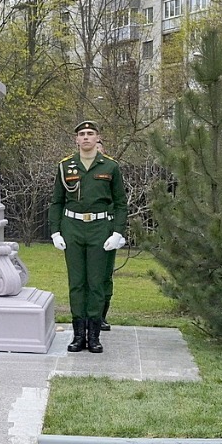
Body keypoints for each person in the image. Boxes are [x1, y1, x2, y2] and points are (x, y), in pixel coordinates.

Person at [48, 120, 128, 354]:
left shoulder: (110, 167)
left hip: (100, 227)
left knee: (96, 283)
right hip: (72, 227)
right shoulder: (66, 166)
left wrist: (117, 232)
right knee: (77, 283)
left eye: (90, 133)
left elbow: (121, 203)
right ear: (76, 139)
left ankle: (93, 336)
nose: (85, 137)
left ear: (97, 138)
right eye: (81, 134)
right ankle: (77, 336)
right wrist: (55, 231)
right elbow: (56, 202)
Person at [95, 139, 116, 332]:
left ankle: (101, 315)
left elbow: (119, 203)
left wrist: (118, 232)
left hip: (108, 232)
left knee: (105, 276)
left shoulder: (111, 173)